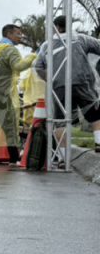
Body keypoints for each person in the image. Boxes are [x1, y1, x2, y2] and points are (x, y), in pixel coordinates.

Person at [34, 14, 100, 153]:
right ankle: (99, 143)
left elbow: (38, 67)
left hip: (59, 87)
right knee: (95, 114)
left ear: (56, 27)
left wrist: (52, 78)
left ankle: (63, 157)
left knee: (60, 121)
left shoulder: (47, 45)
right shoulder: (81, 38)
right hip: (83, 83)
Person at [0, 24, 36, 164]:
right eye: (18, 34)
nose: (20, 37)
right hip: (2, 93)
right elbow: (19, 66)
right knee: (9, 124)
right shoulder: (10, 50)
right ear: (9, 34)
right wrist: (32, 57)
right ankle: (14, 158)